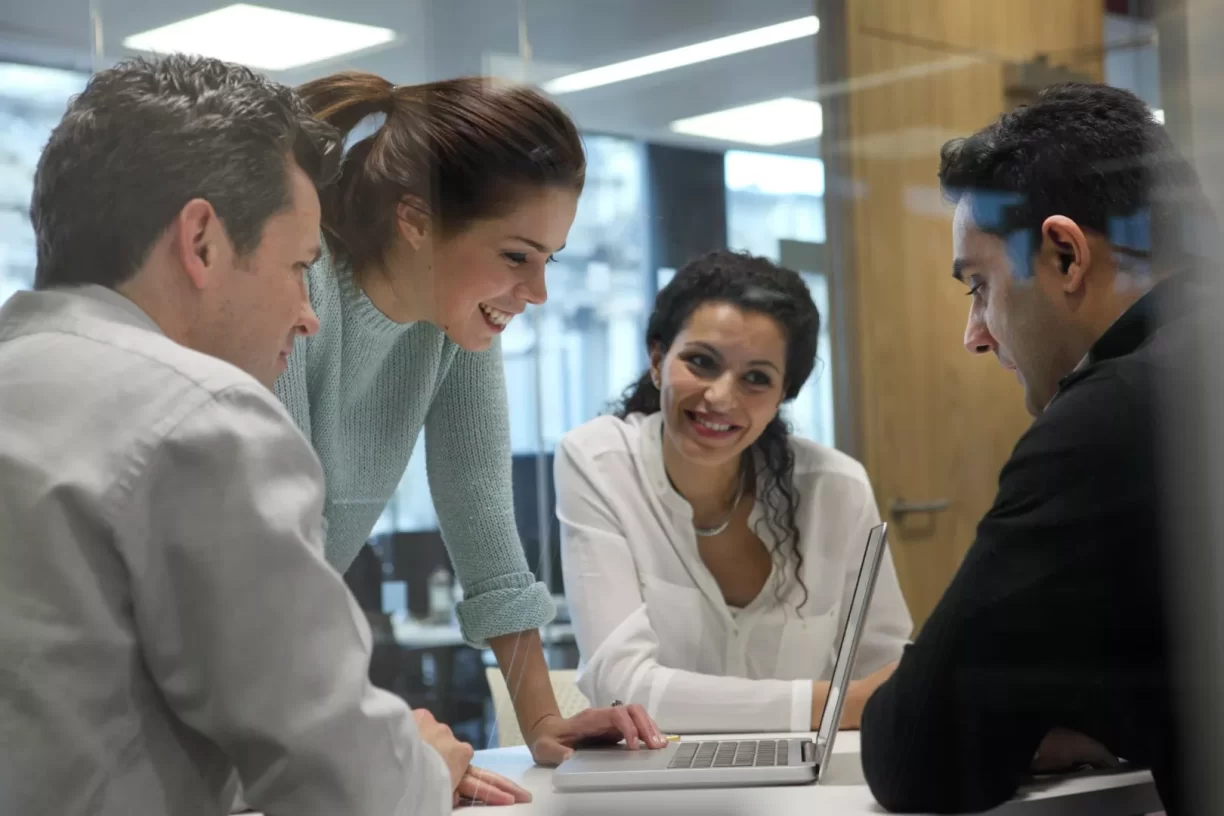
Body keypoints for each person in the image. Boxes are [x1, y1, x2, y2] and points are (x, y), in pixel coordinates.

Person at [0, 54, 528, 815]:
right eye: (299, 267)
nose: (310, 314)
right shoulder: (202, 415)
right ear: (202, 242)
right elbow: (348, 784)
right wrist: (415, 763)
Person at [274, 71, 663, 760]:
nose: (537, 292)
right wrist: (374, 746)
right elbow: (279, 557)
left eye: (548, 260)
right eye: (516, 256)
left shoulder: (452, 324)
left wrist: (545, 722)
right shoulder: (300, 297)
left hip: (269, 666)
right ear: (416, 220)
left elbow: (482, 520)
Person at [859, 82, 1215, 815]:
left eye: (979, 286)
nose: (976, 334)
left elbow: (914, 751)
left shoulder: (1117, 417)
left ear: (1063, 254)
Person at [555, 250, 913, 734]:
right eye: (701, 362)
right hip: (651, 789)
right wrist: (834, 705)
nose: (721, 397)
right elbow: (622, 688)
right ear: (658, 360)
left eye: (756, 379)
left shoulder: (838, 490)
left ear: (784, 394)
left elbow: (884, 675)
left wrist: (852, 704)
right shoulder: (599, 462)